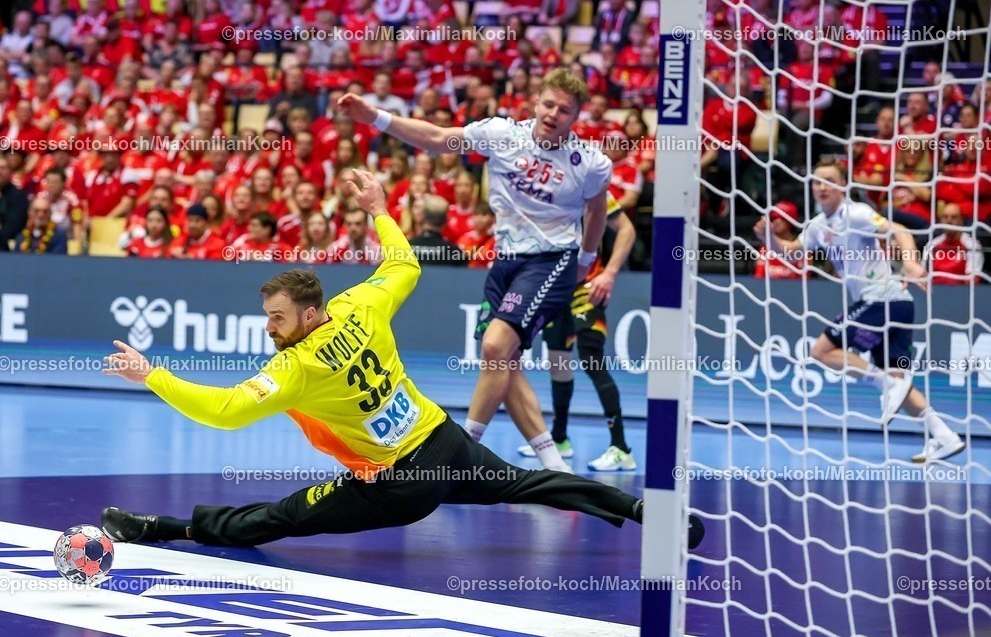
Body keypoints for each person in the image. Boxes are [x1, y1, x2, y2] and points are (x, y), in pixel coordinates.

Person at [100, 170, 706, 550]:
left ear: (309, 316)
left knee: (277, 517)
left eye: (277, 318)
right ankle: (642, 509)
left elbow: (226, 412)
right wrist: (381, 209)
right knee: (533, 481)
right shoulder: (359, 303)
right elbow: (405, 264)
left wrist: (152, 374)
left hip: (397, 483)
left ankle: (164, 530)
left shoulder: (296, 367)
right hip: (440, 441)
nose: (269, 329)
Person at [337, 68, 613, 474]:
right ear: (536, 102)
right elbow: (435, 137)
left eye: (564, 109)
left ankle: (459, 455)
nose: (553, 113)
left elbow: (597, 209)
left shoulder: (588, 162)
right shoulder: (503, 134)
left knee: (495, 348)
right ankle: (555, 466)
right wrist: (375, 116)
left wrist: (586, 263)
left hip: (551, 261)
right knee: (505, 364)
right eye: (548, 104)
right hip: (505, 263)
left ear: (576, 117)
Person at [755, 160, 965, 463]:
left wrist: (910, 261)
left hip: (883, 299)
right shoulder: (817, 226)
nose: (821, 187)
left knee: (822, 351)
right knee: (899, 382)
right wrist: (769, 239)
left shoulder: (857, 213)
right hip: (897, 306)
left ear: (843, 186)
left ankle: (885, 383)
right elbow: (789, 252)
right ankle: (944, 436)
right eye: (816, 181)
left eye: (828, 181)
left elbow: (901, 230)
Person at [516, 193, 638, 470]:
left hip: (588, 287)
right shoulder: (541, 190)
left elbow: (627, 230)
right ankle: (559, 439)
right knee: (558, 363)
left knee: (591, 358)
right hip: (555, 289)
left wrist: (610, 273)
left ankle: (621, 448)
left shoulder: (590, 188)